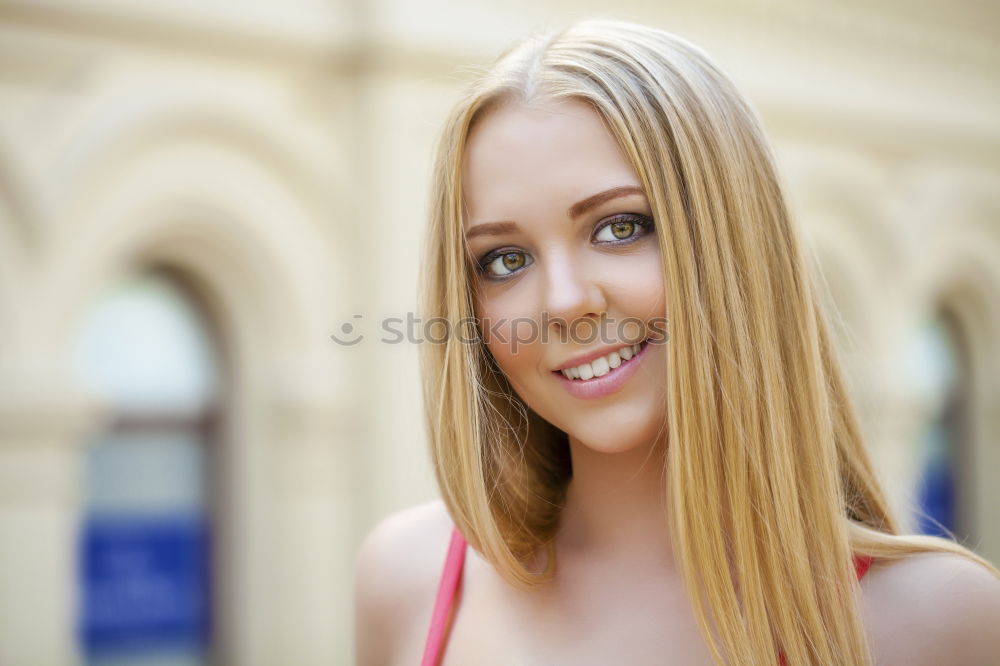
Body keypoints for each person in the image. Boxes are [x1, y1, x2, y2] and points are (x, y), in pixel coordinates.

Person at [354, 17, 1000, 666]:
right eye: (505, 260)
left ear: (737, 238)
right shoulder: (405, 577)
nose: (563, 302)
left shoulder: (938, 622)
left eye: (619, 227)